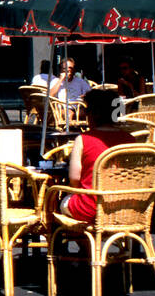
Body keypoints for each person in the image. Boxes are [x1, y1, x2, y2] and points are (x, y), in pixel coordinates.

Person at [58, 89, 136, 220]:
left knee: (59, 201)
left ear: (93, 114)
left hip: (91, 208)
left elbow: (74, 179)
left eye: (87, 111)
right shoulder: (130, 139)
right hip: (125, 206)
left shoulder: (83, 139)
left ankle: (88, 240)